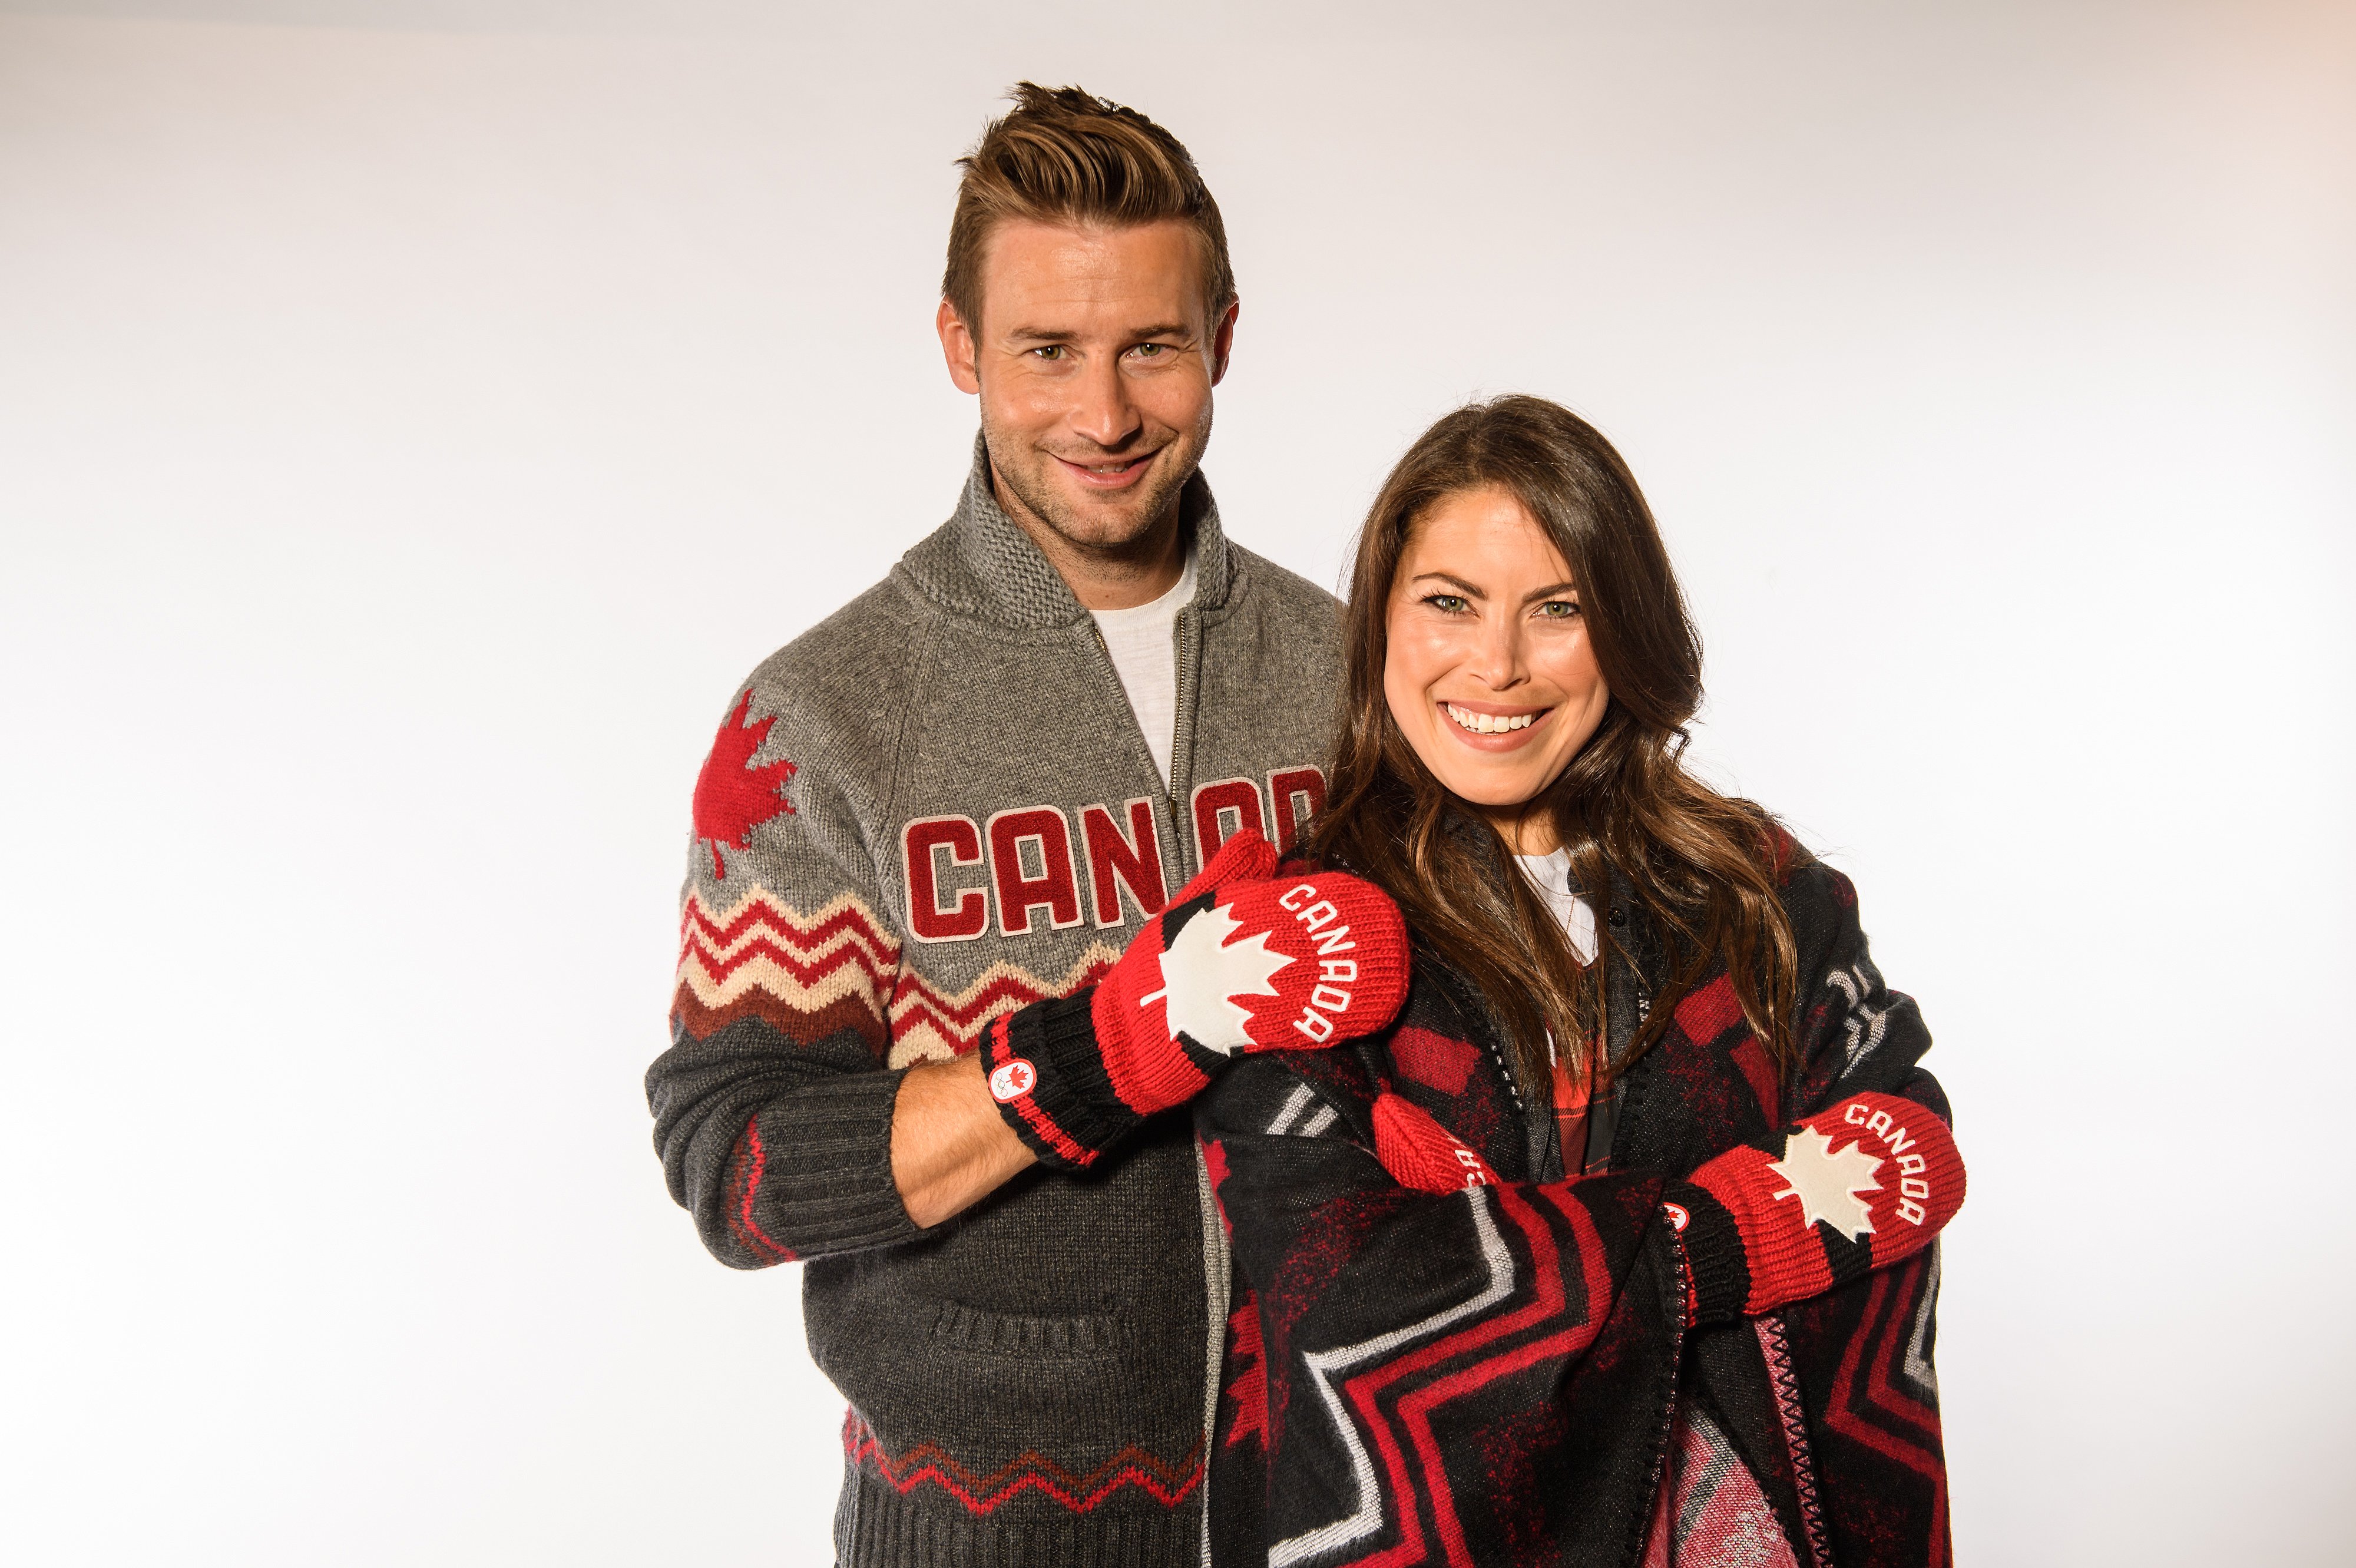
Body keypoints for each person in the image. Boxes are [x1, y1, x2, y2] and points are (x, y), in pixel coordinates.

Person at [645, 85, 1407, 1566]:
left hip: (1355, 1502)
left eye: (1152, 347)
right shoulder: (820, 717)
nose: (1105, 413)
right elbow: (734, 1164)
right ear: (959, 348)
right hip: (986, 1528)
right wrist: (1085, 1056)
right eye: (1047, 351)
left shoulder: (1356, 674)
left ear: (1225, 340)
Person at [1197, 396, 1967, 1567]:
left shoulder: (1759, 889)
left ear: (1624, 628)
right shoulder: (1299, 940)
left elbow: (1906, 1137)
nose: (1496, 664)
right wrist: (1738, 1229)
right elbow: (1337, 1282)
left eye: (1556, 609)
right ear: (1381, 626)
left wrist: (1530, 1240)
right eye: (1447, 601)